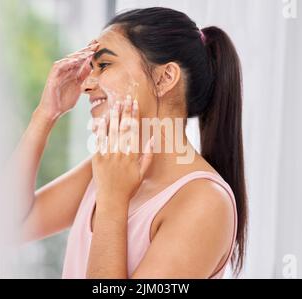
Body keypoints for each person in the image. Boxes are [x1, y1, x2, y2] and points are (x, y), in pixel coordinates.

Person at [13, 7, 247, 279]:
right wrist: (45, 114)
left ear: (164, 78)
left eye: (104, 65)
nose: (86, 84)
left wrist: (112, 201)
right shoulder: (107, 169)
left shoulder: (205, 203)